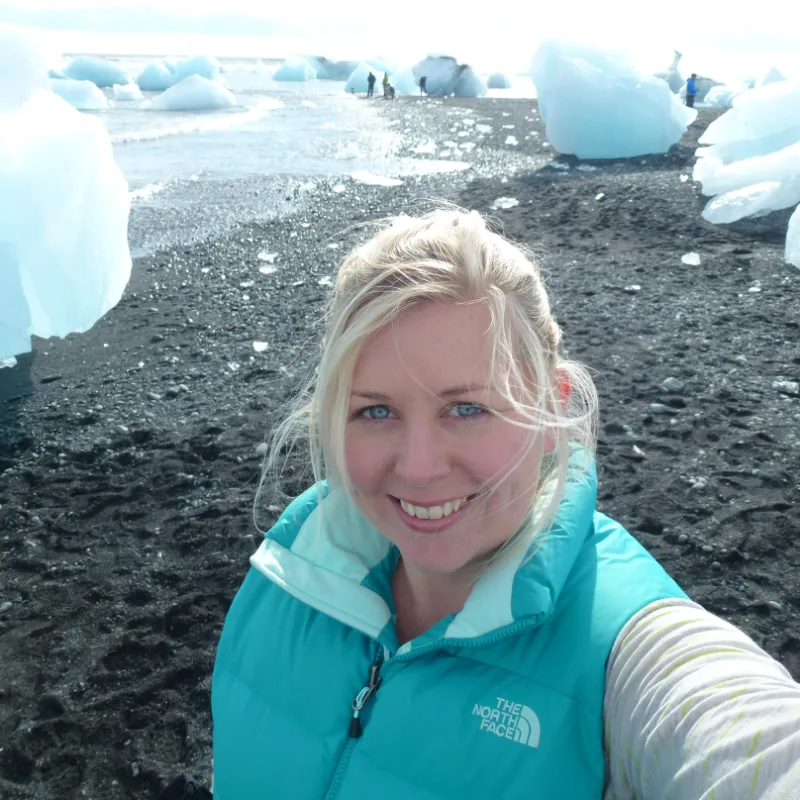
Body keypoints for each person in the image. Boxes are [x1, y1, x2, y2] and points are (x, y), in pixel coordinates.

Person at [212, 210, 800, 799]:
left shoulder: (625, 655)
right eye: (376, 411)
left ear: (553, 407)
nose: (418, 468)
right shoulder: (287, 572)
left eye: (467, 409)